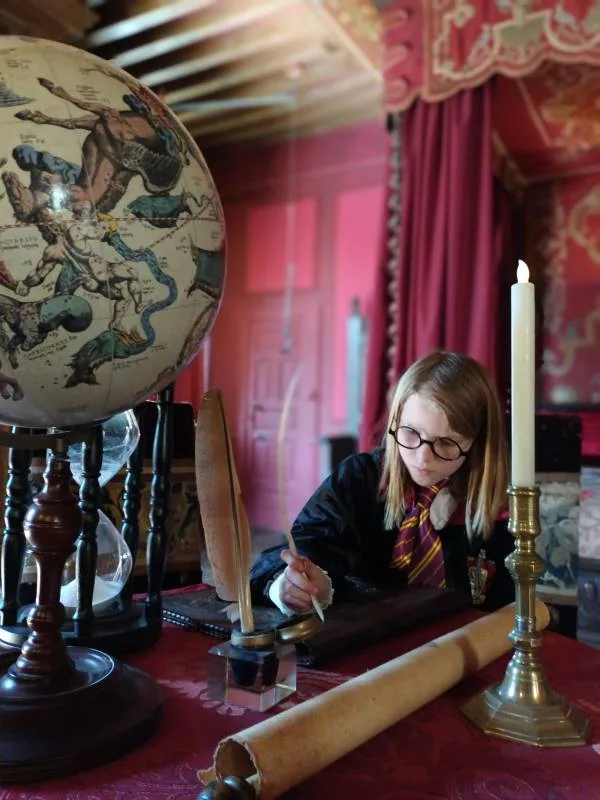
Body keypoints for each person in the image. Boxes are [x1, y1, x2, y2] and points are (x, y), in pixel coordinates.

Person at [250, 351, 515, 615]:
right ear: (395, 421)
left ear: (477, 443)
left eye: (446, 443)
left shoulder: (495, 506)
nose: (422, 458)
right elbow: (299, 548)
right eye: (410, 433)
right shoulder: (359, 478)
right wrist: (292, 585)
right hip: (364, 640)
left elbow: (503, 605)